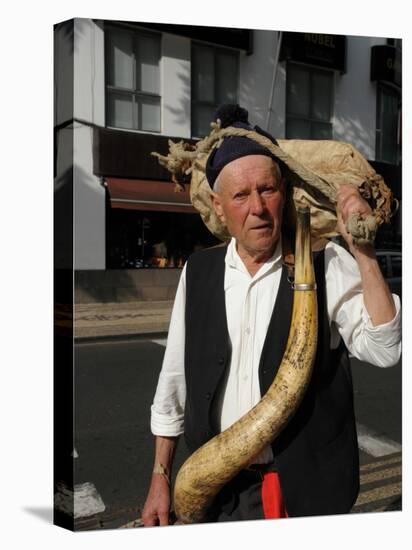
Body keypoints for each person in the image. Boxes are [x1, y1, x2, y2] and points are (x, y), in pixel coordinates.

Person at [142, 106, 401, 526]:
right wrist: (160, 476)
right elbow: (173, 382)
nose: (258, 208)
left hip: (301, 495)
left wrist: (364, 252)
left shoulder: (325, 261)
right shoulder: (199, 271)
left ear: (285, 192)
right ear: (219, 206)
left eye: (267, 189)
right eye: (241, 196)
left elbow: (385, 348)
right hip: (215, 490)